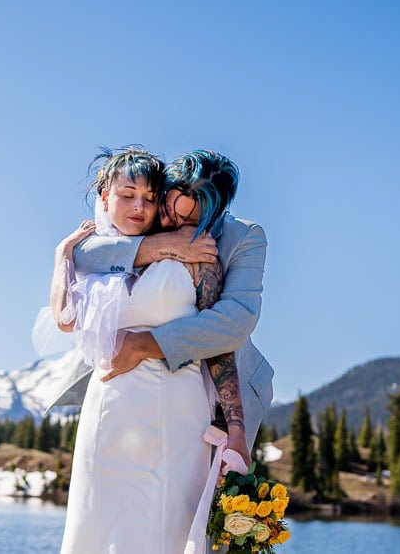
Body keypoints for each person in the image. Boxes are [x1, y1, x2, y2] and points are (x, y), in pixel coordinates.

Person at [52, 148, 252, 553]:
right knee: (99, 521)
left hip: (177, 409)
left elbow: (217, 342)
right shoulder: (102, 252)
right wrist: (62, 254)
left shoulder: (202, 258)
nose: (179, 225)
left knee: (164, 528)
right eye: (172, 211)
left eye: (191, 221)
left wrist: (235, 426)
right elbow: (66, 315)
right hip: (109, 406)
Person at [62, 149, 274, 454]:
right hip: (118, 399)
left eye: (187, 219)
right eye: (168, 207)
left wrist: (142, 344)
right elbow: (85, 255)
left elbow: (234, 321)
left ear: (211, 216)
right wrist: (163, 244)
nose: (168, 220)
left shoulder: (245, 238)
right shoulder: (148, 213)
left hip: (212, 390)